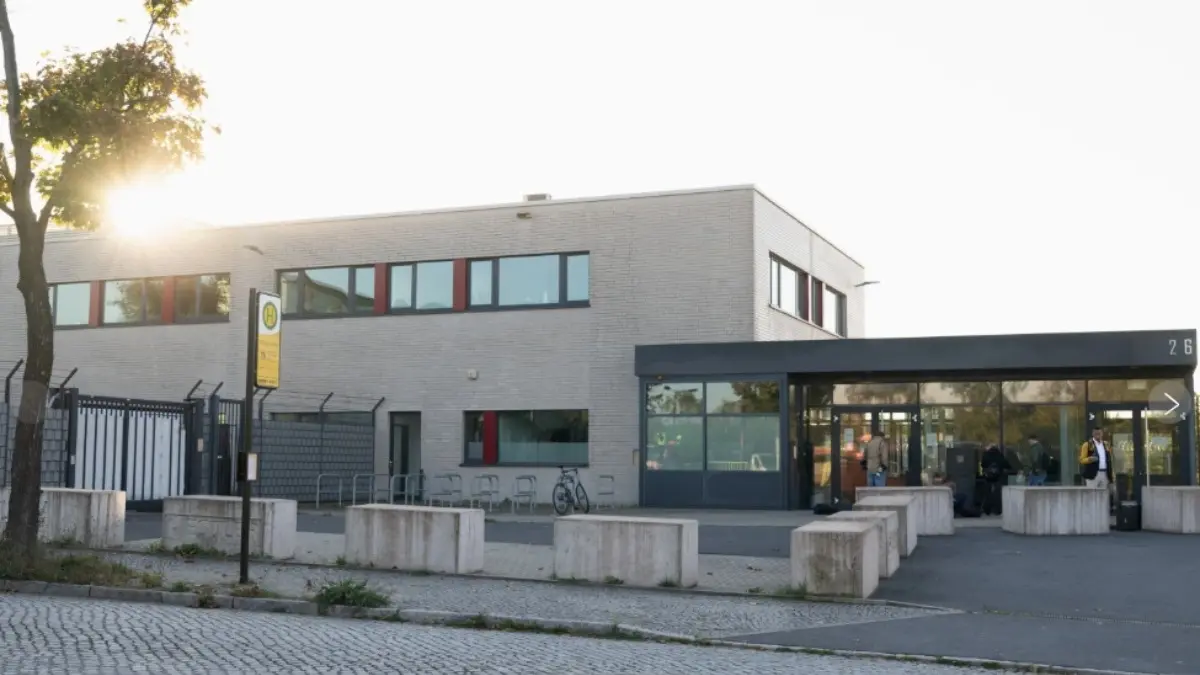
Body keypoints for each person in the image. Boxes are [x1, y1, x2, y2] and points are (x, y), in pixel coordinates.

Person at [1079, 426, 1114, 504]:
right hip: (1093, 475)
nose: (1098, 435)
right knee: (1091, 497)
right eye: (1096, 433)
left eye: (1099, 433)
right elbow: (1081, 460)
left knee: (1104, 498)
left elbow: (1109, 460)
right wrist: (1089, 459)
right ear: (1093, 434)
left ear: (1102, 434)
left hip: (1105, 474)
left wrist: (1111, 475)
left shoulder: (1106, 444)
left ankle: (1102, 511)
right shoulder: (1087, 445)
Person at [980, 443, 1009, 515]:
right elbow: (1006, 464)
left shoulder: (986, 455)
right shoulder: (999, 455)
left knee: (988, 493)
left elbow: (983, 464)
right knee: (997, 493)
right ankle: (997, 510)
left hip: (988, 477)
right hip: (998, 477)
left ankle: (987, 510)